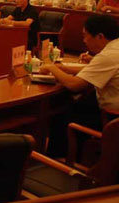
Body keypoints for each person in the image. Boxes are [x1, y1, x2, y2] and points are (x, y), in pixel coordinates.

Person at [39, 15, 119, 157]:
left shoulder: (108, 55)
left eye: (85, 36)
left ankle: (58, 159)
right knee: (79, 102)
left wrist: (51, 67)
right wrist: (64, 68)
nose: (84, 41)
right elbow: (95, 70)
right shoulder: (115, 48)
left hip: (112, 119)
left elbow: (74, 84)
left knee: (62, 115)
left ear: (100, 36)